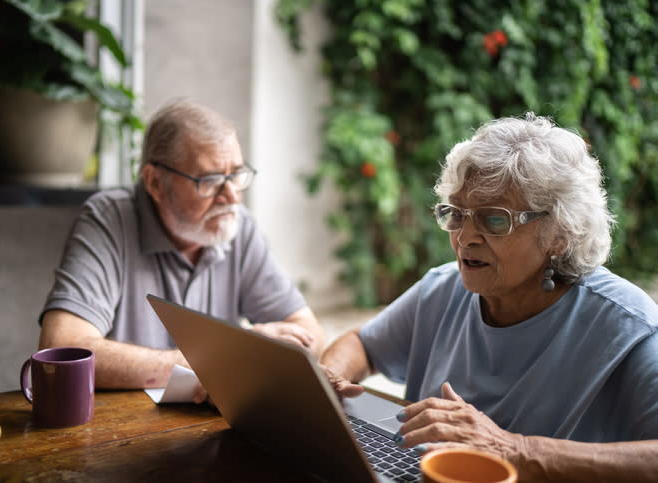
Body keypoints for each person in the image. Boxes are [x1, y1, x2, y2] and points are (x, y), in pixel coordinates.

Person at [321, 113, 658, 482]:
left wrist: (517, 451)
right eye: (456, 214)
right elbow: (363, 345)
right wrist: (327, 379)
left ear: (560, 234)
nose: (465, 237)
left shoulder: (628, 326)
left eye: (494, 220)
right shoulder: (443, 287)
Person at [39, 98, 325, 402]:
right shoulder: (109, 220)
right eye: (210, 180)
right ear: (155, 183)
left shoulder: (238, 226)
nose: (231, 197)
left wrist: (242, 361)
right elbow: (63, 349)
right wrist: (227, 358)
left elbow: (311, 336)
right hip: (121, 432)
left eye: (236, 175)